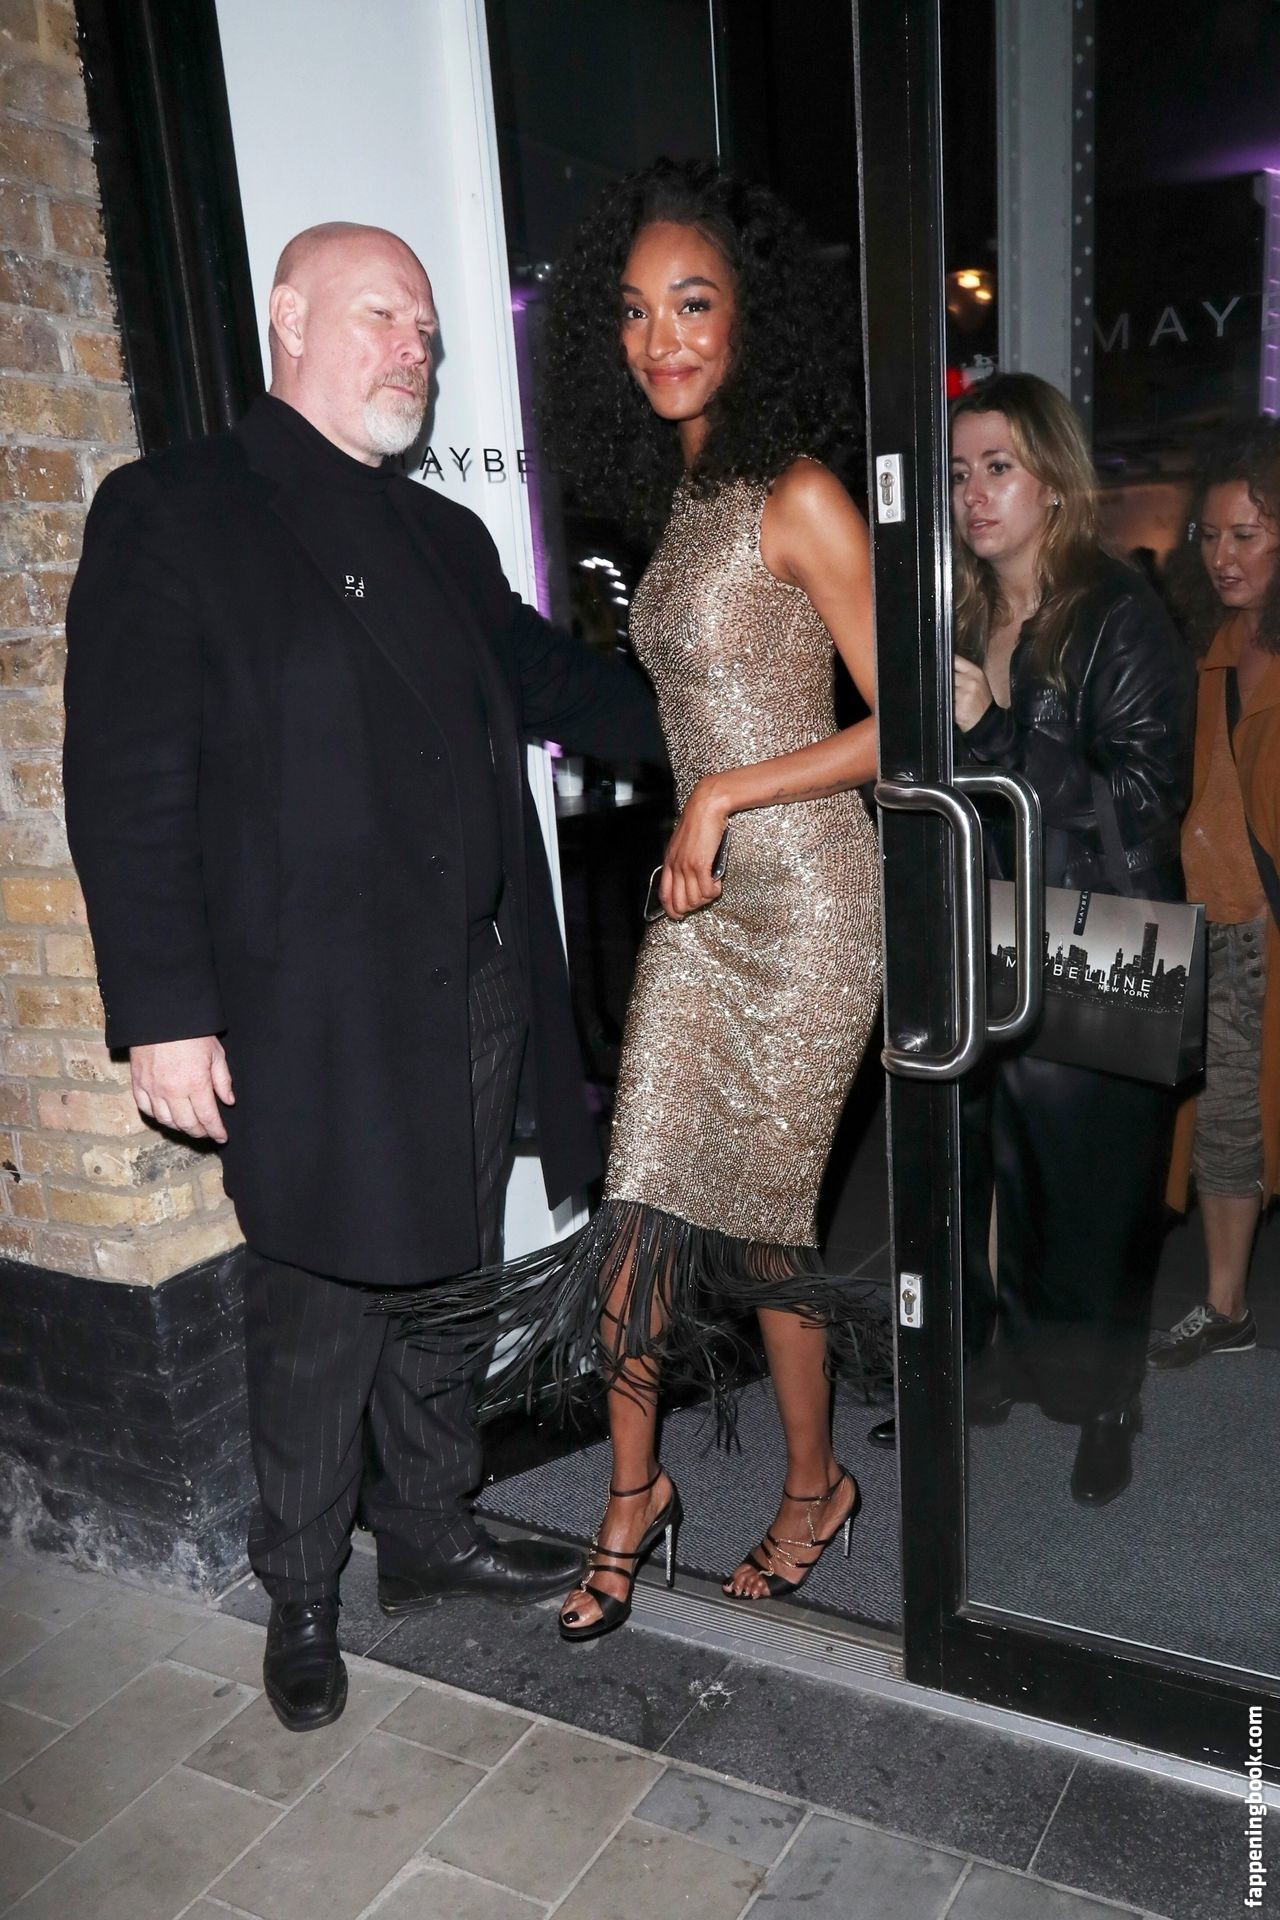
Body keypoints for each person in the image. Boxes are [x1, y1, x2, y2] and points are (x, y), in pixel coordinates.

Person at [62, 222, 665, 1730]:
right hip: (312, 1012)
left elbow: (559, 686)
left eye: (429, 331)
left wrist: (768, 721)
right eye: (386, 316)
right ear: (288, 315)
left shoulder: (443, 539)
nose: (418, 349)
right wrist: (166, 1015)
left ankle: (431, 1530)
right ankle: (302, 1587)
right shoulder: (177, 510)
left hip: (472, 988)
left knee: (448, 1276)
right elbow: (126, 782)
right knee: (321, 1302)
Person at [390, 158, 887, 1636]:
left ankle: (814, 1488)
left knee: (768, 1226)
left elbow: (913, 724)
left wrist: (723, 794)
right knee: (639, 1211)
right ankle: (633, 1491)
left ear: (748, 318)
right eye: (632, 311)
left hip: (808, 903)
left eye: (692, 304)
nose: (660, 338)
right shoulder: (685, 499)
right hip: (701, 904)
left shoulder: (797, 494)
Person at [951, 371, 1194, 1505]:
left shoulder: (1117, 612)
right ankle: (990, 1363)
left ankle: (1106, 1401)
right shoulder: (961, 614)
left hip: (1104, 934)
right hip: (984, 930)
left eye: (997, 467)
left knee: (1093, 1198)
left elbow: (1142, 802)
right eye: (959, 472)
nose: (973, 492)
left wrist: (994, 730)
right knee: (989, 1171)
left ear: (1053, 479)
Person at [1154, 422, 1280, 1363]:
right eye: (1210, 535)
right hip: (1220, 927)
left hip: (1264, 926)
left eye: (1246, 534)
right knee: (1225, 1123)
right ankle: (1227, 1304)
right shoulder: (1216, 643)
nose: (1222, 555)